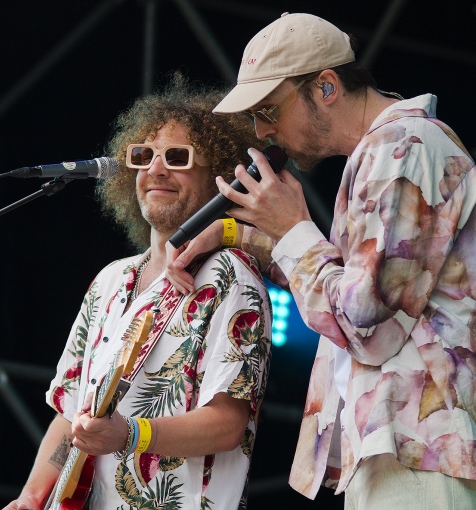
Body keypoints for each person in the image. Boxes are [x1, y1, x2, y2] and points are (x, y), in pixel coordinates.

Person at [167, 12, 476, 509]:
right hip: (396, 450)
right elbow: (341, 290)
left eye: (269, 110)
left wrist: (293, 230)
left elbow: (366, 326)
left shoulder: (404, 149)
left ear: (326, 87)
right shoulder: (383, 155)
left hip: (422, 449)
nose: (263, 131)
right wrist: (234, 233)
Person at [4, 77, 272, 510]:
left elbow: (228, 424)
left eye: (178, 157)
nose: (156, 169)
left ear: (218, 177)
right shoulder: (109, 281)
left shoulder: (231, 276)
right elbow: (71, 411)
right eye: (144, 156)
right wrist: (32, 496)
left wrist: (131, 434)